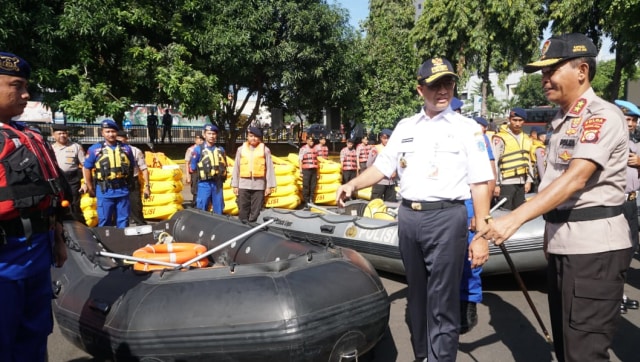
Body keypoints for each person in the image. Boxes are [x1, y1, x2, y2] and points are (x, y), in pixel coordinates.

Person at [475, 33, 633, 362]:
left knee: (584, 353)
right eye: (543, 73)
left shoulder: (600, 116)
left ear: (582, 71)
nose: (545, 78)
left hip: (594, 250)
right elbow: (551, 185)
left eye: (553, 70)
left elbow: (575, 179)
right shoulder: (561, 120)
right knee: (566, 347)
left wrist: (514, 219)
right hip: (564, 245)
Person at [336, 57, 493, 361]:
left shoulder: (467, 128)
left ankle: (441, 358)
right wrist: (352, 185)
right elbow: (383, 166)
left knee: (443, 299)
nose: (442, 90)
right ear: (421, 89)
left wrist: (482, 234)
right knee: (417, 296)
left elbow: (480, 183)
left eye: (447, 83)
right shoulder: (405, 127)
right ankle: (423, 354)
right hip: (408, 218)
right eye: (434, 85)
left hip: (447, 217)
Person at [0, 51, 68, 360]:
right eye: (17, 85)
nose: (26, 94)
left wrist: (58, 238)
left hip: (37, 250)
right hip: (4, 257)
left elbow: (51, 197)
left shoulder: (28, 135)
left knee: (36, 331)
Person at [460, 116, 498, 334]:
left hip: (469, 201)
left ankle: (468, 304)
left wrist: (481, 212)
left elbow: (488, 175)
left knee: (470, 259)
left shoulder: (476, 137)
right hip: (442, 205)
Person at [82, 119, 136, 227]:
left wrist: (130, 183)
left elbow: (131, 166)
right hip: (104, 190)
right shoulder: (95, 149)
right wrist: (89, 186)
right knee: (105, 219)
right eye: (107, 131)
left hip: (122, 189)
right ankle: (104, 242)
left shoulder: (126, 149)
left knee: (123, 219)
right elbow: (86, 168)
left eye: (113, 131)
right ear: (102, 133)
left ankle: (122, 241)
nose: (111, 134)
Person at [614, 99, 640, 314]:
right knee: (615, 253)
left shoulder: (635, 145)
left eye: (633, 120)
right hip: (614, 202)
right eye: (626, 119)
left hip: (631, 202)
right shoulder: (610, 142)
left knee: (630, 250)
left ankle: (619, 293)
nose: (630, 124)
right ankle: (612, 297)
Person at [231, 127, 276, 223]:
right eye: (251, 136)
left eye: (256, 136)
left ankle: (253, 225)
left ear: (259, 138)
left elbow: (269, 169)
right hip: (243, 184)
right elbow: (236, 168)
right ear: (247, 136)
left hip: (259, 186)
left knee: (256, 210)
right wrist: (235, 185)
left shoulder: (265, 150)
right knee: (243, 208)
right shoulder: (240, 149)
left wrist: (269, 186)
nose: (253, 138)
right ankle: (243, 226)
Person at [492, 107, 534, 209]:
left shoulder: (526, 138)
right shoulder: (500, 137)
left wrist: (528, 180)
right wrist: (496, 184)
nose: (517, 123)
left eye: (520, 120)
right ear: (509, 119)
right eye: (514, 120)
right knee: (504, 212)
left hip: (521, 182)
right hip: (506, 183)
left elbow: (527, 160)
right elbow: (495, 161)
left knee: (520, 212)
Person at [51, 124, 86, 224]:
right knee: (58, 204)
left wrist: (85, 183)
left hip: (73, 179)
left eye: (64, 133)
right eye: (59, 133)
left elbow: (84, 166)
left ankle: (79, 227)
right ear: (53, 135)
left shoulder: (76, 147)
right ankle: (61, 226)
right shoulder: (51, 148)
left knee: (75, 204)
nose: (62, 135)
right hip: (57, 179)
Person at [190, 124, 227, 214]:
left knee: (219, 208)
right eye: (209, 133)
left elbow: (224, 164)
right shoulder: (198, 150)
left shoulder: (221, 149)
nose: (211, 136)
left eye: (213, 134)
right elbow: (193, 167)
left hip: (217, 183)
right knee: (202, 208)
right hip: (204, 183)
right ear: (204, 134)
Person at [116, 131, 150, 225]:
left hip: (132, 181)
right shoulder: (111, 151)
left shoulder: (135, 151)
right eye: (117, 138)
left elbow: (144, 169)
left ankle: (141, 225)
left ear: (126, 139)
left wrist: (147, 186)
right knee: (119, 206)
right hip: (117, 182)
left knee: (136, 205)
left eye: (121, 138)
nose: (119, 140)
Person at [367, 129, 396, 202]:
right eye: (384, 138)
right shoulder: (376, 149)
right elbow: (369, 164)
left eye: (389, 138)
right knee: (375, 203)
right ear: (380, 138)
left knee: (391, 205)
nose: (387, 140)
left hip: (391, 182)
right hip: (379, 181)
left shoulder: (394, 149)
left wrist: (395, 171)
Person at [299, 135, 319, 207]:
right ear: (307, 141)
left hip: (314, 169)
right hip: (306, 169)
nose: (312, 142)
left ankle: (311, 200)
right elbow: (300, 160)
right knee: (306, 186)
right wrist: (300, 171)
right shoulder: (303, 149)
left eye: (313, 141)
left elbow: (317, 160)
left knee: (313, 186)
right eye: (310, 141)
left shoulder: (315, 149)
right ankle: (306, 201)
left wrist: (317, 172)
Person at [185, 135, 204, 207]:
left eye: (202, 140)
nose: (201, 141)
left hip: (203, 172)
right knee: (195, 189)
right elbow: (187, 162)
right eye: (199, 140)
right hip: (194, 172)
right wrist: (187, 176)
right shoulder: (191, 150)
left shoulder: (204, 149)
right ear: (195, 140)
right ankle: (195, 204)